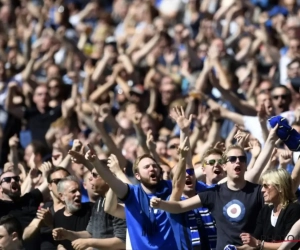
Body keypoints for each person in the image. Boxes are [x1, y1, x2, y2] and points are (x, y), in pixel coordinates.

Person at [150, 144, 266, 249]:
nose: (187, 176)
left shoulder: (210, 191)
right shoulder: (209, 194)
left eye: (242, 159)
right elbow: (178, 192)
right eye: (211, 163)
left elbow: (239, 179)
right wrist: (161, 204)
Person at [53, 166, 127, 250]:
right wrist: (68, 234)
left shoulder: (118, 201)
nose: (90, 178)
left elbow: (123, 241)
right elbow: (90, 233)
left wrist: (89, 243)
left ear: (107, 177)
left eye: (95, 175)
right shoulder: (99, 202)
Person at [240, 169, 300, 250]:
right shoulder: (265, 211)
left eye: (266, 186)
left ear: (280, 187)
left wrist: (259, 244)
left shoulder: (294, 209)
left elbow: (288, 244)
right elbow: (255, 242)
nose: (262, 190)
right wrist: (237, 248)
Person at [23, 167, 71, 250]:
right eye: (58, 181)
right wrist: (38, 223)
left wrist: (51, 223)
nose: (63, 185)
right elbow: (25, 236)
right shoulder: (47, 207)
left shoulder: (75, 207)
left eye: (66, 180)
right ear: (49, 186)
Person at [52, 176, 93, 250]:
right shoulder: (57, 216)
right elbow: (58, 243)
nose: (78, 194)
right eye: (73, 191)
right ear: (62, 196)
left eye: (79, 190)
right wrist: (60, 247)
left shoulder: (91, 209)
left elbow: (94, 235)